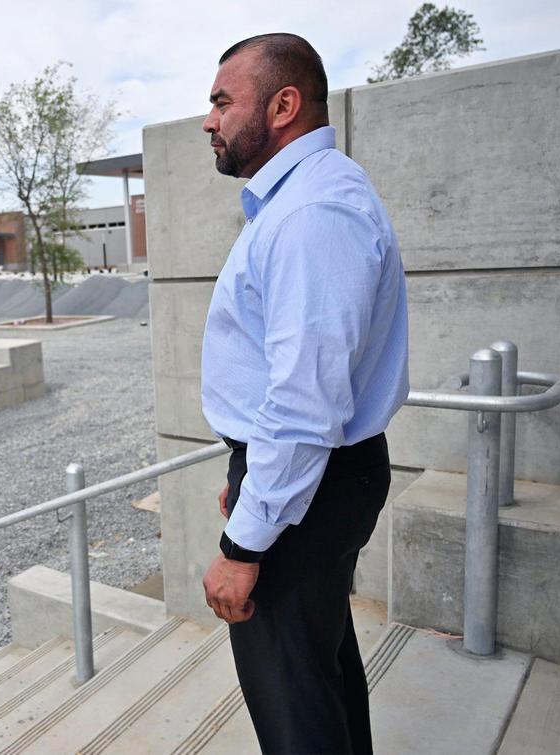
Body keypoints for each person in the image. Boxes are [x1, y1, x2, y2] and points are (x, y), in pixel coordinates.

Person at [198, 33, 409, 753]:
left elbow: (304, 405)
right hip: (304, 478)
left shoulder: (313, 215)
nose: (209, 120)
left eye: (223, 100)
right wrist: (256, 484)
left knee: (293, 700)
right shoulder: (306, 201)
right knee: (319, 668)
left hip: (310, 480)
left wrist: (244, 539)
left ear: (284, 105)